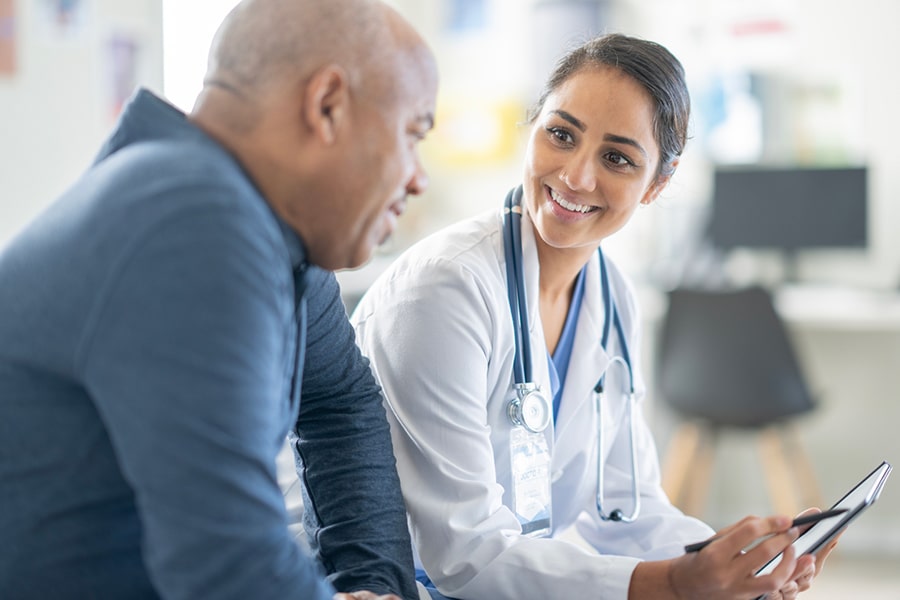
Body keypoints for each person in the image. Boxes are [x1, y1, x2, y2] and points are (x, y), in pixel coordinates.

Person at [351, 33, 834, 600]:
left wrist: (736, 567)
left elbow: (627, 509)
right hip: (387, 586)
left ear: (657, 184)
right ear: (533, 127)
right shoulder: (445, 290)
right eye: (561, 135)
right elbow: (466, 554)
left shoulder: (611, 297)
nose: (577, 177)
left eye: (617, 158)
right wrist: (673, 585)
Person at [0, 0, 436, 599]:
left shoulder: (250, 220)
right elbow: (230, 568)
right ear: (327, 105)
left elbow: (340, 401)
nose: (418, 178)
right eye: (413, 133)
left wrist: (374, 585)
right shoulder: (195, 219)